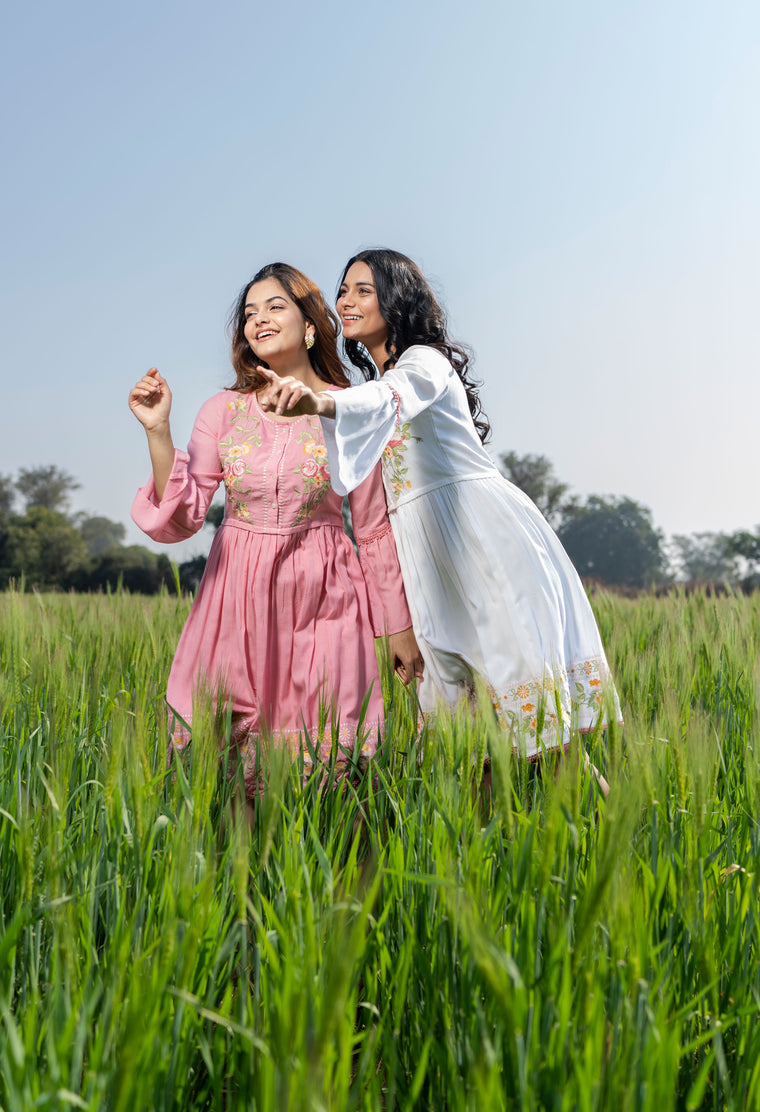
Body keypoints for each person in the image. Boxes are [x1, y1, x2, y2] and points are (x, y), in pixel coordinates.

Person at [256, 248, 622, 760]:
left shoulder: (422, 363)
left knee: (545, 746)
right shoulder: (373, 387)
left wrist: (319, 401)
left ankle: (600, 837)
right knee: (471, 754)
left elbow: (389, 398)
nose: (347, 301)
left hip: (483, 548)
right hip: (430, 564)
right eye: (344, 291)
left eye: (365, 290)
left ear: (398, 299)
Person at [129, 262, 420, 793]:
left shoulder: (348, 408)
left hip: (325, 600)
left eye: (274, 306)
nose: (257, 320)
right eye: (248, 313)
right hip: (235, 605)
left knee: (329, 776)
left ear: (311, 324)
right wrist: (157, 431)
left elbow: (374, 526)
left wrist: (399, 631)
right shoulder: (222, 411)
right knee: (233, 788)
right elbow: (184, 513)